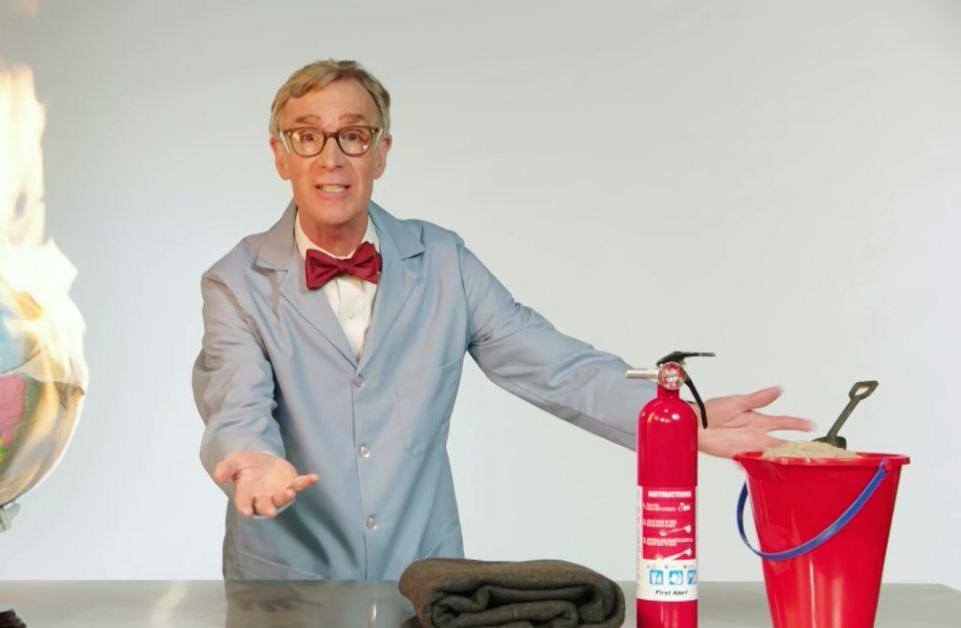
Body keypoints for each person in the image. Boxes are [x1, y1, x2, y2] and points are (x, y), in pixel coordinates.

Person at [192, 59, 811, 580]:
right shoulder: (236, 282)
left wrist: (670, 416)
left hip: (425, 579)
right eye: (307, 136)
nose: (331, 157)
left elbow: (556, 367)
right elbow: (234, 402)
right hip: (286, 583)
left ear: (381, 153)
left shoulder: (444, 262)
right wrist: (253, 463)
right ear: (279, 155)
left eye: (354, 135)